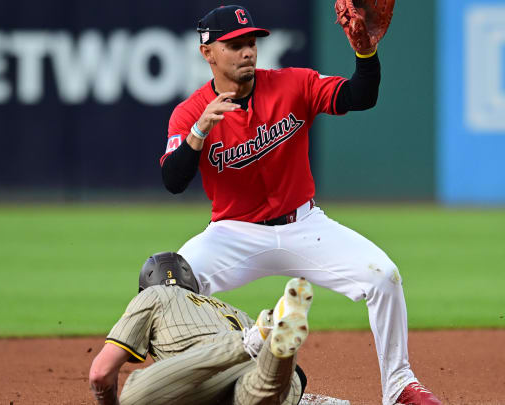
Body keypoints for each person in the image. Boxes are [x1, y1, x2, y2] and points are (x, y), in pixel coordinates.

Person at [159, 5, 442, 405]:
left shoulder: (293, 84)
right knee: (169, 287)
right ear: (208, 53)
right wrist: (199, 131)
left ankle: (399, 386)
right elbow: (173, 181)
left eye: (251, 43)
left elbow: (361, 97)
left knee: (384, 276)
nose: (247, 52)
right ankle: (215, 385)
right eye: (235, 45)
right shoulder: (190, 113)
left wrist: (366, 54)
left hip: (305, 225)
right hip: (234, 233)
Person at [88, 252, 315, 405]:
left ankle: (250, 342)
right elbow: (300, 377)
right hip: (280, 381)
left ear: (145, 285)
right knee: (258, 392)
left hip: (207, 372)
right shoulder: (233, 311)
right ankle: (272, 344)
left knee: (131, 397)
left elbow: (101, 373)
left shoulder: (154, 295)